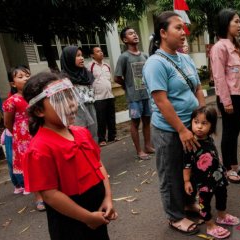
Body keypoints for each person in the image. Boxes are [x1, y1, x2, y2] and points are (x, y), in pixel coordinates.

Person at [23, 72, 118, 240]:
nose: (71, 105)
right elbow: (50, 195)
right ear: (38, 110)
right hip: (69, 222)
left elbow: (98, 164)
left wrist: (108, 198)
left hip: (97, 212)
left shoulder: (81, 132)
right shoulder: (39, 149)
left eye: (70, 97)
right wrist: (87, 218)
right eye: (59, 99)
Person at [143, 11, 205, 235]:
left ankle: (188, 204)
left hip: (190, 126)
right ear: (162, 32)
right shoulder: (155, 63)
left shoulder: (185, 58)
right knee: (170, 173)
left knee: (189, 167)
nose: (183, 32)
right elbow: (161, 100)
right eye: (177, 28)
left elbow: (197, 88)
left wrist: (200, 119)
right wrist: (180, 129)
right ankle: (175, 216)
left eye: (183, 28)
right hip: (169, 130)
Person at [210, 8, 240, 184]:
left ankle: (234, 165)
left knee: (234, 132)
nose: (239, 24)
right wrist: (226, 101)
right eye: (235, 21)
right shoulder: (219, 47)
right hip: (229, 96)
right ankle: (227, 168)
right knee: (228, 132)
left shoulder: (235, 45)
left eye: (239, 21)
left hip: (239, 93)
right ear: (226, 24)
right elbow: (219, 77)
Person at [183, 106, 239, 239]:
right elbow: (187, 165)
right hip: (203, 182)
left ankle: (222, 216)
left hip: (218, 177)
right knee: (204, 203)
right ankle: (210, 225)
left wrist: (220, 166)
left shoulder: (209, 138)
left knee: (222, 195)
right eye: (196, 122)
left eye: (204, 123)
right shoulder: (191, 143)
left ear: (212, 126)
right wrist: (186, 181)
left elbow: (213, 152)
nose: (199, 127)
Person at [3, 65, 45, 211]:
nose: (26, 78)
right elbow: (8, 122)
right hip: (23, 139)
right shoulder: (12, 101)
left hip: (40, 132)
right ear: (13, 83)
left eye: (27, 75)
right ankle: (39, 198)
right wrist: (18, 135)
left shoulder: (37, 96)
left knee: (44, 162)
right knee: (31, 167)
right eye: (20, 77)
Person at [115, 27, 154, 160]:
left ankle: (148, 146)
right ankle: (139, 151)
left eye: (135, 33)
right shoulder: (124, 57)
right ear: (125, 40)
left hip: (146, 95)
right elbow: (117, 77)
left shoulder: (145, 55)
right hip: (134, 97)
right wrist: (127, 86)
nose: (135, 35)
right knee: (135, 122)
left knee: (147, 121)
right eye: (131, 34)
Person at [61, 46, 98, 142]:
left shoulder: (87, 74)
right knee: (80, 139)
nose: (81, 58)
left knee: (93, 137)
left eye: (82, 55)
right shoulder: (63, 79)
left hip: (91, 108)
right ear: (69, 58)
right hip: (75, 112)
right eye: (77, 56)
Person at [87, 46, 117, 146]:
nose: (101, 53)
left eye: (101, 51)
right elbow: (88, 82)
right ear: (92, 55)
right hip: (98, 98)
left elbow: (109, 79)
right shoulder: (89, 66)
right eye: (98, 51)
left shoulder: (106, 66)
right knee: (101, 119)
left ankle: (112, 136)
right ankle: (102, 139)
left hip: (109, 95)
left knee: (111, 117)